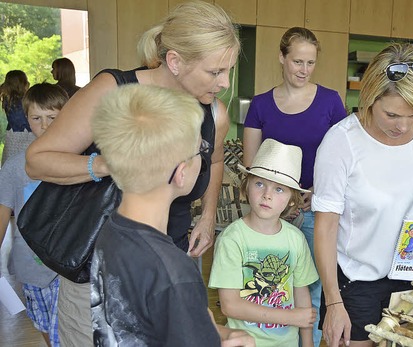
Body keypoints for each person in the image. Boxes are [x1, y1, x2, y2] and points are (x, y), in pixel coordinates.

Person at [25, 2, 240, 345]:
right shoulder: (114, 90)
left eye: (228, 70)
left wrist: (208, 214)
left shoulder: (214, 112)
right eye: (215, 71)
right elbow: (37, 160)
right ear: (174, 61)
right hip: (97, 275)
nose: (225, 83)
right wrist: (109, 164)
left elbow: (214, 160)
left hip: (169, 267)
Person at [90, 84, 254, 346]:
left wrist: (214, 333)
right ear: (180, 173)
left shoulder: (111, 232)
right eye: (200, 150)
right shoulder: (174, 273)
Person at [312, 42, 413, 347]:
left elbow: (410, 181)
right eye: (391, 115)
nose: (403, 126)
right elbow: (325, 227)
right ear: (370, 98)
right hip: (356, 280)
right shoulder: (341, 143)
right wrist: (334, 304)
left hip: (410, 275)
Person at [242, 27, 346, 346]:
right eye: (297, 61)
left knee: (312, 292)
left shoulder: (330, 102)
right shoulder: (260, 105)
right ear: (282, 58)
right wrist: (279, 201)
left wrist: (316, 192)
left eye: (310, 63)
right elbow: (251, 168)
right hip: (272, 211)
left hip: (316, 208)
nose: (304, 70)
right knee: (269, 290)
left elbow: (343, 158)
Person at [210, 138, 319, 346]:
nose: (267, 195)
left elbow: (302, 297)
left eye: (279, 189)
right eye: (260, 183)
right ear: (246, 187)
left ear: (292, 200)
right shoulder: (232, 239)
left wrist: (307, 344)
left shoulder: (295, 239)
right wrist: (290, 317)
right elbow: (229, 305)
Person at [0, 83, 68, 347]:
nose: (45, 125)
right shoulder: (15, 168)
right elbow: (3, 215)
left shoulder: (81, 163)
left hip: (68, 270)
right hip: (31, 268)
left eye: (53, 117)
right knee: (45, 328)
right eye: (37, 118)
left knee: (63, 332)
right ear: (26, 119)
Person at [1, 70, 33, 164]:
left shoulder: (8, 100)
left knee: (11, 162)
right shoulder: (24, 101)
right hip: (26, 134)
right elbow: (25, 120)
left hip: (12, 135)